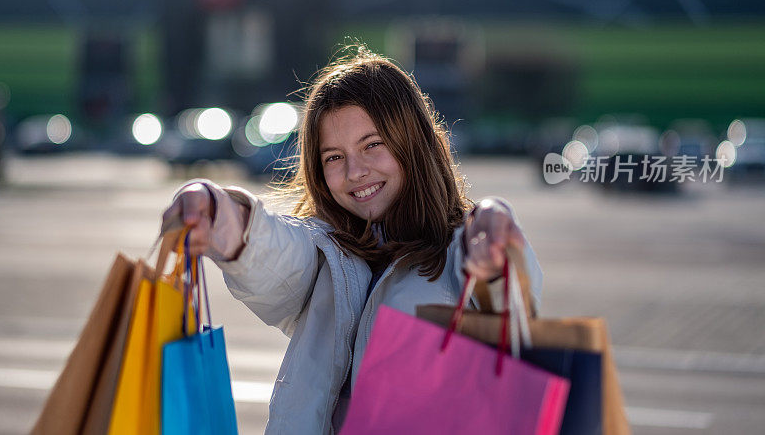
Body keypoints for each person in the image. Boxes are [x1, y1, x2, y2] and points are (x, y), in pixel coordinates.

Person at [161, 46, 543, 434]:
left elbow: (512, 310)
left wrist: (498, 248)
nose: (355, 171)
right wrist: (219, 214)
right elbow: (275, 249)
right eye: (333, 157)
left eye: (372, 145)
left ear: (411, 140)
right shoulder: (328, 255)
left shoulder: (461, 250)